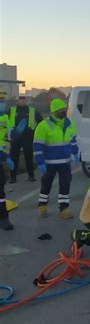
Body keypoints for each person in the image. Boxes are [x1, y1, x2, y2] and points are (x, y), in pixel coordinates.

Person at [33, 98, 79, 219]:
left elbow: (73, 140)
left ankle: (64, 209)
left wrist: (75, 153)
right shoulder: (43, 126)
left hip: (65, 162)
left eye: (65, 109)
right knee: (46, 185)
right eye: (61, 110)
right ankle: (42, 206)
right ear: (54, 111)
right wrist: (40, 162)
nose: (64, 112)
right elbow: (38, 146)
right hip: (49, 163)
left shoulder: (70, 123)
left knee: (65, 185)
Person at [0, 93, 26, 230]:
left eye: (2, 100)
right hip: (2, 157)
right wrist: (5, 157)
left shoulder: (4, 117)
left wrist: (17, 132)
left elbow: (8, 135)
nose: (2, 103)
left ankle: (3, 218)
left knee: (1, 193)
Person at [8, 95, 42, 182]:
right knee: (14, 158)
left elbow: (40, 121)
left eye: (24, 99)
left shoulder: (31, 110)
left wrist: (33, 129)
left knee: (29, 157)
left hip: (28, 137)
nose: (22, 101)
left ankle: (31, 176)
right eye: (20, 99)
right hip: (16, 138)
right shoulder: (11, 110)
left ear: (26, 100)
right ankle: (13, 177)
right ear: (17, 100)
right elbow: (5, 121)